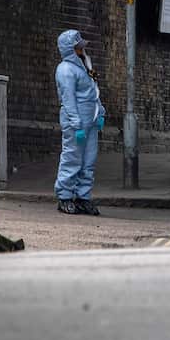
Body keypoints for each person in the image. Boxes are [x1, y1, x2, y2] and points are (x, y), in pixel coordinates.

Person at [54, 29, 105, 216]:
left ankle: (83, 197)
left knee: (88, 161)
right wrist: (76, 125)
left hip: (89, 121)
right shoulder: (65, 70)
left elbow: (94, 92)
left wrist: (100, 114)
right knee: (72, 159)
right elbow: (68, 100)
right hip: (76, 122)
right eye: (78, 47)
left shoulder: (84, 67)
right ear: (70, 49)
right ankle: (65, 197)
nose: (82, 49)